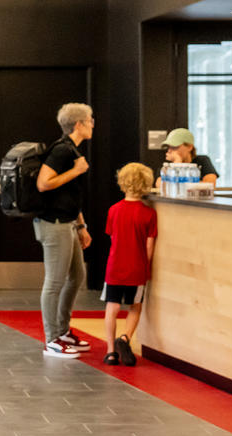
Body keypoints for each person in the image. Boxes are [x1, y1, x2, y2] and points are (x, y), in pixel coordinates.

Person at [34, 102, 94, 359]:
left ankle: (62, 330)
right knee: (55, 282)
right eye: (90, 120)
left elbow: (71, 194)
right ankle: (52, 339)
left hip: (68, 222)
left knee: (76, 277)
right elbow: (43, 184)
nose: (93, 124)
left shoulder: (71, 149)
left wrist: (81, 225)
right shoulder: (61, 151)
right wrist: (75, 171)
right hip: (53, 223)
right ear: (78, 124)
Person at [101, 163, 157, 366]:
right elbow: (149, 246)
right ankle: (125, 338)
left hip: (115, 266)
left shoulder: (114, 210)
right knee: (135, 306)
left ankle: (110, 351)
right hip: (137, 267)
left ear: (122, 183)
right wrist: (146, 266)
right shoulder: (149, 214)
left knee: (112, 306)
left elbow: (112, 238)